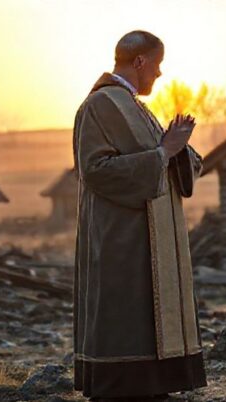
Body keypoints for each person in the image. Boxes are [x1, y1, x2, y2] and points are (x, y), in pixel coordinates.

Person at [72, 30, 206, 400]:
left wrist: (177, 150)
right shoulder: (100, 105)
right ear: (140, 61)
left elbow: (163, 155)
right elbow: (95, 170)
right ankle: (122, 385)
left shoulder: (134, 105)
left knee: (148, 312)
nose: (159, 74)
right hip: (121, 235)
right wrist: (163, 153)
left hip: (149, 234)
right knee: (126, 309)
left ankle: (154, 383)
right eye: (157, 65)